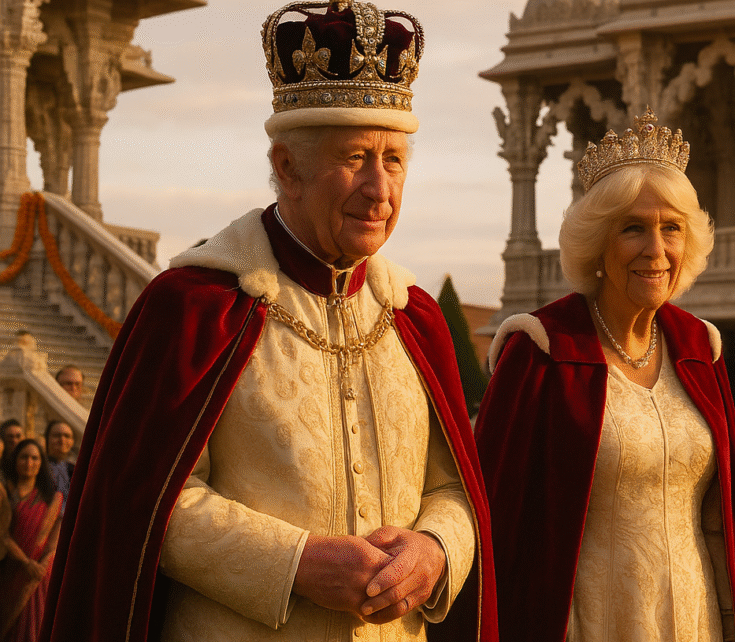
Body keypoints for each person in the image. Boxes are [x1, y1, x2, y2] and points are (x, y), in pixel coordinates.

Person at [41, 4, 496, 641]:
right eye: (355, 157)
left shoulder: (414, 319)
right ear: (286, 166)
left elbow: (454, 490)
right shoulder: (195, 308)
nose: (380, 189)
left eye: (394, 160)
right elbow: (145, 502)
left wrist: (435, 551)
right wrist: (295, 564)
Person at [477, 109, 735, 642]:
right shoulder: (542, 349)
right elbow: (494, 517)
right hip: (586, 619)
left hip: (693, 619)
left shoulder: (702, 350)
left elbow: (722, 522)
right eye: (634, 228)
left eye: (671, 230)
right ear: (598, 245)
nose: (656, 251)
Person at [1, 439, 62, 640]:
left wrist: (41, 566)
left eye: (34, 458)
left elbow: (54, 538)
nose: (29, 462)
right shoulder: (5, 493)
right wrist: (25, 562)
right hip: (9, 568)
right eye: (24, 457)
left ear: (41, 463)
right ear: (15, 460)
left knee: (35, 628)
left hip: (38, 575)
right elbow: (2, 534)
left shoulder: (52, 498)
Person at [41, 421, 74, 499]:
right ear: (46, 439)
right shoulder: (37, 467)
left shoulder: (75, 470)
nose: (62, 440)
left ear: (72, 442)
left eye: (67, 436)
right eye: (57, 436)